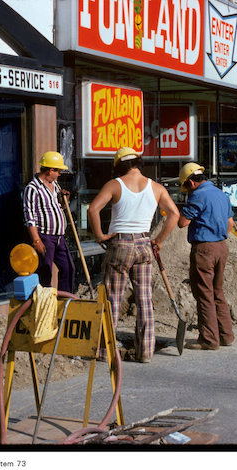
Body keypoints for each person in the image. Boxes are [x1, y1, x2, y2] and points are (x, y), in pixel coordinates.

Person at [87, 147, 179, 363]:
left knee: (112, 299)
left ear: (119, 166)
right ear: (139, 163)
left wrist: (100, 235)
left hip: (120, 243)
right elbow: (174, 214)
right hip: (144, 243)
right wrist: (159, 240)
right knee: (145, 299)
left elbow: (93, 209)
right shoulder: (156, 187)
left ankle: (104, 350)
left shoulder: (115, 185)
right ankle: (145, 352)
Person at [177, 163, 235, 350]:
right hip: (221, 247)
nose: (187, 191)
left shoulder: (198, 196)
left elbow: (182, 222)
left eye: (186, 187)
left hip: (204, 249)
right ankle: (226, 336)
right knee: (217, 292)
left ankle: (209, 340)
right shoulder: (221, 194)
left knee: (204, 294)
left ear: (192, 182)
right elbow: (230, 224)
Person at [22, 151, 75, 292]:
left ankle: (65, 301)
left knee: (69, 268)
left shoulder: (55, 185)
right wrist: (36, 240)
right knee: (45, 273)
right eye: (58, 171)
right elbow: (29, 216)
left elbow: (58, 208)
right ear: (50, 170)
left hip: (59, 237)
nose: (59, 174)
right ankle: (46, 304)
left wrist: (65, 200)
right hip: (45, 237)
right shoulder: (32, 188)